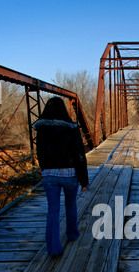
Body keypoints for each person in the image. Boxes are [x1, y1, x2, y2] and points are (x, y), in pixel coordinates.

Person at [33, 96, 89, 256]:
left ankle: (54, 248)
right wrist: (84, 180)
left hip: (50, 176)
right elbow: (80, 155)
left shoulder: (41, 130)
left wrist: (45, 170)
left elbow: (40, 153)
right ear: (64, 110)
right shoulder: (72, 129)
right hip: (70, 175)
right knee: (71, 205)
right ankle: (72, 234)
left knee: (53, 210)